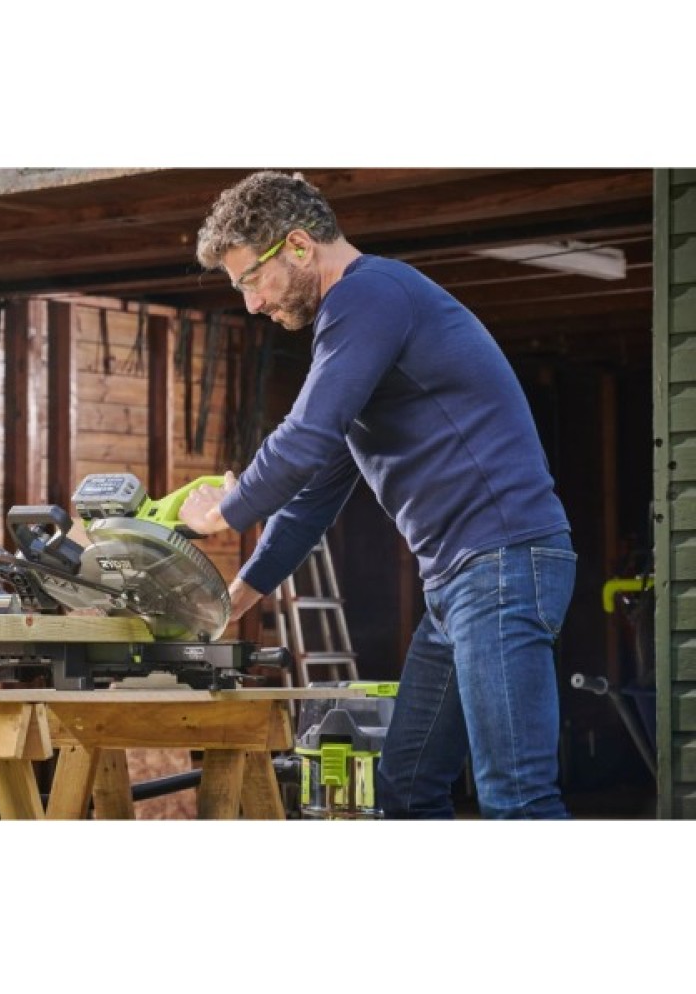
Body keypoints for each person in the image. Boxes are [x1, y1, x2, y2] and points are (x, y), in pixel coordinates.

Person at [179, 170, 576, 819]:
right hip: (459, 581)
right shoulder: (359, 330)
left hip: (503, 563)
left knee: (517, 798)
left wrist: (222, 511)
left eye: (252, 279)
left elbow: (303, 436)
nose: (251, 303)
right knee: (406, 788)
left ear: (299, 246)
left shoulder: (369, 296)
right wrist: (236, 598)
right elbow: (313, 495)